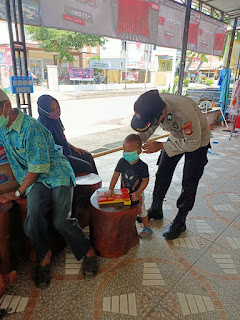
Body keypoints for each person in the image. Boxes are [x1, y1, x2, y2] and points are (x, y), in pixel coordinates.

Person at [0, 89, 98, 288]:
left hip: (56, 173)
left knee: (62, 220)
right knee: (33, 219)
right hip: (34, 179)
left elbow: (37, 167)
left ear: (6, 107)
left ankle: (88, 251)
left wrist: (18, 192)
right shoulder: (3, 127)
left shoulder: (31, 128)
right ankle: (44, 256)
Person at [131, 90, 210, 240]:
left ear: (161, 114)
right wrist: (137, 141)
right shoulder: (152, 106)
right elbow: (150, 126)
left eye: (155, 120)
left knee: (189, 181)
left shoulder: (184, 113)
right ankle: (156, 207)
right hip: (177, 135)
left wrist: (161, 146)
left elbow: (192, 143)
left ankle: (181, 220)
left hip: (198, 140)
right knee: (163, 171)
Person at [37, 94, 98, 175]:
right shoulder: (42, 127)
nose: (56, 111)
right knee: (86, 166)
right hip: (57, 158)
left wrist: (74, 148)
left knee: (87, 156)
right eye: (52, 110)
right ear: (44, 111)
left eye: (57, 107)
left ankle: (97, 185)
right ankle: (86, 186)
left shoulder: (55, 119)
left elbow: (62, 138)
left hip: (65, 151)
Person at [107, 134, 152, 238]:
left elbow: (145, 181)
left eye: (129, 151)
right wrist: (111, 188)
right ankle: (127, 225)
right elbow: (115, 175)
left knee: (141, 210)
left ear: (139, 151)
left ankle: (147, 226)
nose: (126, 153)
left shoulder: (143, 166)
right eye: (124, 150)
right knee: (125, 208)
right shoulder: (122, 161)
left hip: (138, 193)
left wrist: (138, 192)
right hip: (124, 192)